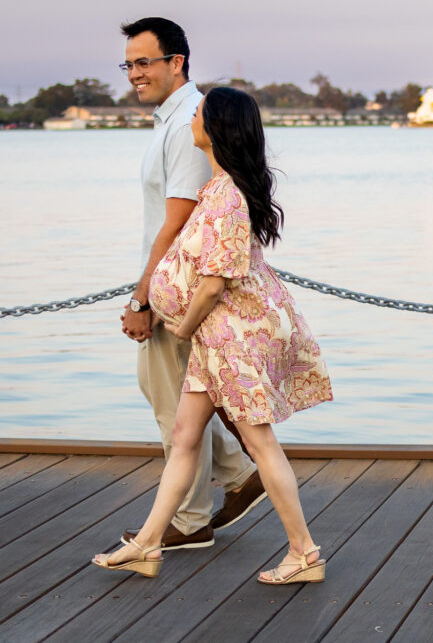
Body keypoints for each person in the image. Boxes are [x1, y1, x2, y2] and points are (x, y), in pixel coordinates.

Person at [93, 86, 334, 584]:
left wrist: (178, 323)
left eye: (198, 114)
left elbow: (214, 282)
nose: (191, 121)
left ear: (217, 126)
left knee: (261, 445)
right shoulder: (218, 187)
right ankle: (147, 543)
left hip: (231, 339)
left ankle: (304, 552)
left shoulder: (226, 197)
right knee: (184, 438)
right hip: (214, 339)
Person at [117, 17, 266, 551]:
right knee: (178, 396)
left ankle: (189, 519)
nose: (135, 73)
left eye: (144, 62)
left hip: (171, 293)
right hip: (169, 285)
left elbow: (176, 223)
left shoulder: (186, 124)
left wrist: (142, 298)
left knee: (168, 404)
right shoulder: (173, 121)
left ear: (176, 61)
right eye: (129, 63)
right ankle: (234, 474)